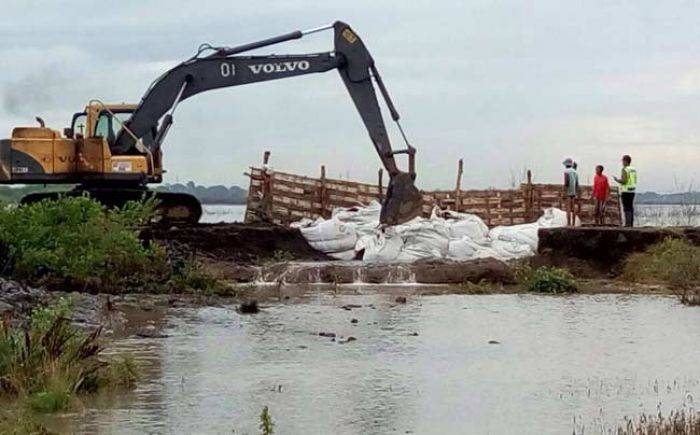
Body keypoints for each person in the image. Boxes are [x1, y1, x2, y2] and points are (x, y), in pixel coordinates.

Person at [614, 154, 637, 227]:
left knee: (626, 207)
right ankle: (631, 223)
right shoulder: (633, 169)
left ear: (626, 161)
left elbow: (624, 181)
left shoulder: (625, 169)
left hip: (626, 190)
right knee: (630, 207)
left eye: (623, 161)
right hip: (632, 190)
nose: (622, 163)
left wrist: (617, 180)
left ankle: (627, 224)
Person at [562, 158, 579, 226]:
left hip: (568, 192)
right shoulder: (575, 172)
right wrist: (576, 192)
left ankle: (568, 223)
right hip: (573, 192)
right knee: (573, 208)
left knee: (568, 208)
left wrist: (564, 192)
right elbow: (577, 183)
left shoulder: (566, 171)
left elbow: (566, 182)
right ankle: (573, 223)